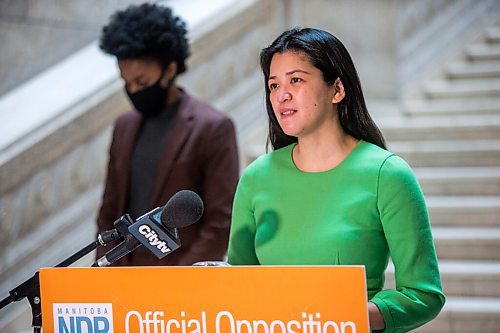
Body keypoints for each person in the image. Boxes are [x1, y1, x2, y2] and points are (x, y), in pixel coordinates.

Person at [227, 27, 445, 332]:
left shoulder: (388, 175)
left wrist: (343, 317)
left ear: (337, 90)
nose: (282, 95)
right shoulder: (255, 178)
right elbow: (238, 283)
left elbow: (423, 294)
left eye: (296, 80)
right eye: (273, 85)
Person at [95, 3, 239, 266]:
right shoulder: (123, 126)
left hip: (180, 290)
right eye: (126, 83)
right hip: (122, 282)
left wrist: (175, 286)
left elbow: (221, 222)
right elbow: (108, 212)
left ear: (170, 70)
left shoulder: (214, 127)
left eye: (142, 82)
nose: (133, 90)